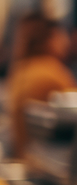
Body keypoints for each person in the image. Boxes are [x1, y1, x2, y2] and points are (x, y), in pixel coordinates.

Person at [6, 10, 77, 158]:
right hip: (44, 163)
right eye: (61, 35)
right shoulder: (52, 71)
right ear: (50, 39)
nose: (66, 41)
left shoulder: (23, 68)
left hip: (23, 155)